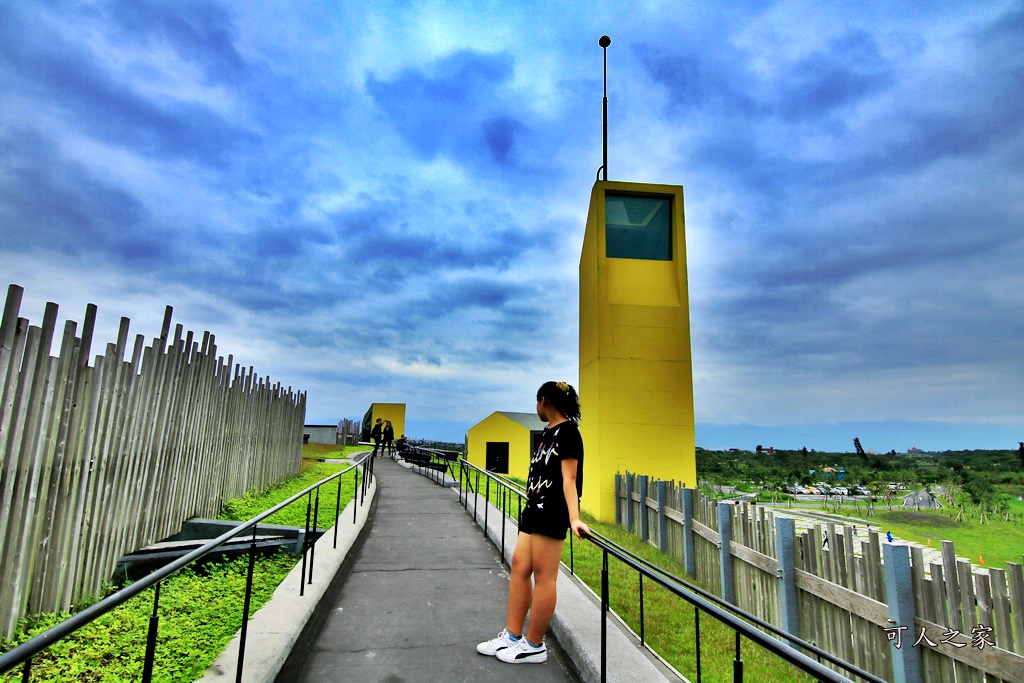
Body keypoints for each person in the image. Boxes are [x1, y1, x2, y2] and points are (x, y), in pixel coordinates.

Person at [477, 381, 589, 665]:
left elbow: (570, 479)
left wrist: (574, 518)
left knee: (544, 575)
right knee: (519, 565)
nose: (535, 408)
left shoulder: (569, 433)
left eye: (536, 402)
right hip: (534, 509)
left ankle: (534, 645)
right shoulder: (547, 433)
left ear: (544, 400)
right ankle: (512, 636)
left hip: (552, 511)